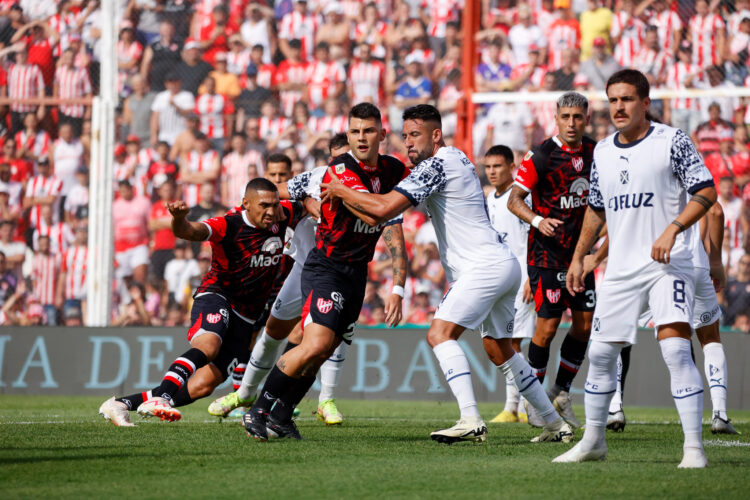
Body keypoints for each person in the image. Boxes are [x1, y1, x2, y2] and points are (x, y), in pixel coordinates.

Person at [318, 104, 573, 445]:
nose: (408, 143)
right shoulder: (456, 158)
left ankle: (470, 418)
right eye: (405, 135)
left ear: (436, 135)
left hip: (482, 268)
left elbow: (380, 210)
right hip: (502, 264)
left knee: (439, 334)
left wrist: (340, 190)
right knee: (500, 351)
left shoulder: (438, 164)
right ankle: (556, 424)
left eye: (416, 135)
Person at [553, 69, 717, 468]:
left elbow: (706, 191)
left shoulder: (671, 141)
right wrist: (580, 257)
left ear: (645, 103)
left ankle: (693, 448)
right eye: (612, 100)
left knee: (677, 350)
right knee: (602, 353)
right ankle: (593, 442)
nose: (619, 107)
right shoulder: (603, 152)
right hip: (621, 271)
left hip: (666, 264)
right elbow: (595, 209)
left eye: (627, 99)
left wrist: (673, 229)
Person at [210, 117, 407, 427]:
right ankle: (248, 397)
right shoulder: (314, 179)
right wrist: (301, 201)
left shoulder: (382, 179)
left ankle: (315, 402)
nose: (347, 163)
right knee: (282, 333)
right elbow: (267, 199)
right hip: (312, 267)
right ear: (333, 157)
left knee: (323, 341)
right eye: (341, 156)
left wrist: (398, 287)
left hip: (351, 271)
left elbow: (391, 229)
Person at [98, 178, 305, 426]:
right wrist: (179, 219)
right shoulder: (228, 224)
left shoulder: (284, 213)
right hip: (217, 295)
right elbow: (189, 231)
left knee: (204, 386)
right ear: (245, 204)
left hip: (247, 314)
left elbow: (308, 205)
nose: (272, 211)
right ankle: (161, 397)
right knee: (208, 345)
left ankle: (121, 404)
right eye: (264, 205)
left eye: (275, 205)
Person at [588, 202, 738, 435]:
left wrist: (595, 252)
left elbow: (621, 221)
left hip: (648, 264)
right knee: (709, 339)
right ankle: (719, 414)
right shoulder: (691, 175)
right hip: (694, 262)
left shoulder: (644, 178)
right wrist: (715, 261)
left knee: (615, 334)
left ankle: (615, 407)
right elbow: (716, 211)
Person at [506, 92, 597, 429]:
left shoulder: (594, 152)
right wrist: (537, 221)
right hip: (547, 255)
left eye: (577, 117)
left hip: (580, 255)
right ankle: (535, 401)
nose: (571, 123)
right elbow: (514, 200)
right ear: (556, 118)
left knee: (585, 325)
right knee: (545, 329)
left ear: (586, 117)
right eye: (565, 117)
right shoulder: (541, 155)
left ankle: (559, 392)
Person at [484, 145, 535, 424]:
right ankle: (517, 407)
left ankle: (519, 407)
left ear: (511, 167)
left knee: (513, 343)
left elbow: (530, 240)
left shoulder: (520, 197)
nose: (492, 172)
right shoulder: (491, 198)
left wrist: (531, 277)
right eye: (488, 167)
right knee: (508, 343)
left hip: (524, 278)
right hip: (504, 280)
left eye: (498, 166)